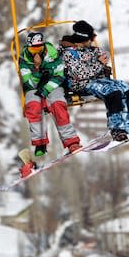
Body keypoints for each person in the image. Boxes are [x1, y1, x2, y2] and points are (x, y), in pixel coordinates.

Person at [19, 32, 82, 177]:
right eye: (33, 49)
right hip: (34, 88)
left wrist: (46, 87)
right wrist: (36, 68)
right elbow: (27, 79)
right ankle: (39, 143)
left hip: (53, 85)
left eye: (39, 48)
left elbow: (59, 75)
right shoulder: (23, 58)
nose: (36, 52)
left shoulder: (52, 54)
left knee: (57, 104)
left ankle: (71, 141)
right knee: (33, 106)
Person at [60, 20, 129, 141]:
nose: (92, 40)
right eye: (91, 38)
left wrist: (101, 60)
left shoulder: (90, 49)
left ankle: (127, 123)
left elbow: (101, 54)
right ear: (83, 38)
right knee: (113, 93)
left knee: (126, 88)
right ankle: (116, 128)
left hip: (97, 80)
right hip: (80, 85)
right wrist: (99, 63)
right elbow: (80, 73)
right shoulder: (69, 53)